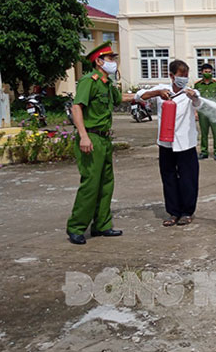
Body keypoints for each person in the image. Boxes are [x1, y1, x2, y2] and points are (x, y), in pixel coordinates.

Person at [66, 42, 135, 245]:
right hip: (91, 137)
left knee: (106, 183)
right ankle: (76, 227)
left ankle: (102, 225)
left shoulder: (107, 83)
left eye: (113, 59)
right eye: (110, 59)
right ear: (99, 61)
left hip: (104, 138)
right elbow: (77, 107)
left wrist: (149, 94)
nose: (113, 62)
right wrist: (84, 135)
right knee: (90, 184)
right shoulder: (90, 81)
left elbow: (120, 98)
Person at [136, 60, 202, 226]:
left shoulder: (190, 93)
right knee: (169, 178)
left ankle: (187, 212)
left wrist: (193, 96)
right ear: (171, 76)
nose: (184, 79)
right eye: (181, 76)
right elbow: (140, 96)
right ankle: (173, 212)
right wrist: (157, 93)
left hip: (186, 143)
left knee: (188, 178)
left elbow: (198, 103)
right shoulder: (162, 90)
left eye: (186, 76)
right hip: (166, 143)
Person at [194, 63, 216, 160]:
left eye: (210, 72)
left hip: (214, 112)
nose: (208, 73)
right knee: (204, 133)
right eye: (206, 72)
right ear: (202, 72)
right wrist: (195, 112)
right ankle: (204, 151)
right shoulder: (197, 85)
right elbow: (194, 99)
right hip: (202, 112)